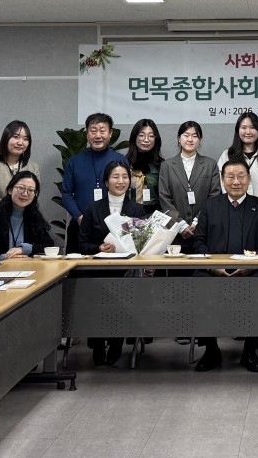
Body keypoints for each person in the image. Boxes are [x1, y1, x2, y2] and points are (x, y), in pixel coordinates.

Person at [192, 160, 258, 373]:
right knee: (198, 284)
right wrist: (213, 267)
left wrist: (251, 265)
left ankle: (250, 350)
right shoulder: (210, 206)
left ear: (249, 179)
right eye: (230, 176)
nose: (236, 181)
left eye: (241, 176)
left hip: (252, 270)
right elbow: (198, 241)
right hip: (214, 270)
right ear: (223, 180)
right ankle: (211, 349)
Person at [78, 160, 146, 366]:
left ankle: (117, 342)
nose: (121, 181)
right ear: (107, 181)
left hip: (126, 270)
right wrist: (99, 247)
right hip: (98, 269)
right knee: (95, 294)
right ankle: (98, 343)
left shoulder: (137, 209)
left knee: (124, 292)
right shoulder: (93, 208)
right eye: (115, 177)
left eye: (125, 177)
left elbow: (142, 244)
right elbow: (82, 244)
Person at [61, 113, 127, 252]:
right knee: (76, 265)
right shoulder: (74, 162)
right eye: (93, 131)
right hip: (80, 228)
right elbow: (66, 193)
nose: (98, 136)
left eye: (102, 131)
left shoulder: (120, 161)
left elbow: (125, 192)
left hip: (111, 230)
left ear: (110, 134)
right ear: (87, 134)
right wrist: (79, 217)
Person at [0, 171, 55, 270]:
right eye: (21, 188)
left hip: (26, 273)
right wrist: (2, 258)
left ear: (35, 194)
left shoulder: (34, 217)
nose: (25, 193)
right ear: (10, 190)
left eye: (30, 190)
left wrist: (25, 249)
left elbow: (48, 246)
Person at [158, 121, 221, 253]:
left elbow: (215, 196)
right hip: (175, 233)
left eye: (195, 136)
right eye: (186, 135)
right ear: (179, 138)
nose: (190, 139)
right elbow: (164, 198)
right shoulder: (167, 166)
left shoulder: (210, 164)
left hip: (204, 231)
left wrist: (198, 221)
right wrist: (181, 225)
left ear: (200, 140)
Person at [217, 111, 258, 207]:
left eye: (252, 127)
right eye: (244, 127)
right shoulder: (227, 155)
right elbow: (223, 184)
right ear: (238, 130)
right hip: (233, 210)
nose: (248, 132)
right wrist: (235, 205)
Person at [0, 120, 41, 212]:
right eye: (16, 137)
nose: (20, 142)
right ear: (5, 138)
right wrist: (19, 202)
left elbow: (34, 200)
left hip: (25, 218)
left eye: (25, 139)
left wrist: (2, 201)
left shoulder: (33, 167)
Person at [126, 118, 163, 215]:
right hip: (129, 215)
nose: (146, 140)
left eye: (151, 136)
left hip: (155, 215)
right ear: (135, 137)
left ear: (156, 139)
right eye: (142, 135)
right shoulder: (125, 163)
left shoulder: (162, 165)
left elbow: (166, 196)